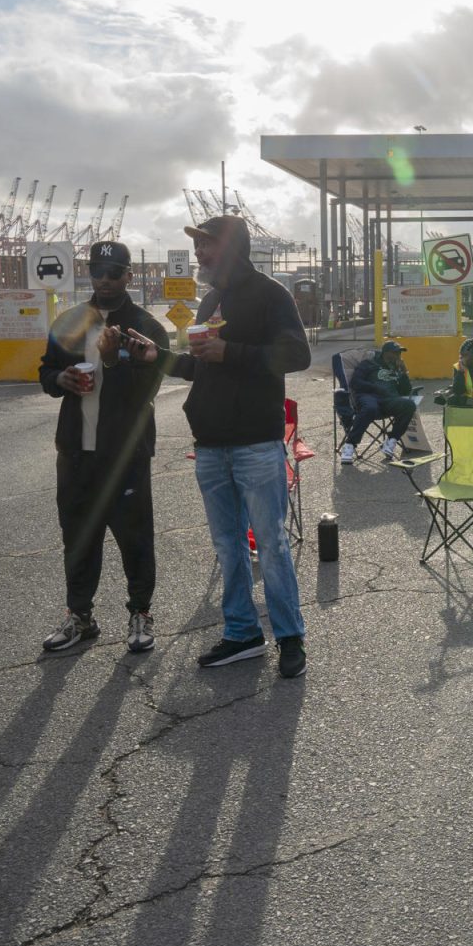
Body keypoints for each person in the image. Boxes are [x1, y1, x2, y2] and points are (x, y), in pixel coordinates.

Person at [166, 214, 312, 677]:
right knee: (228, 547)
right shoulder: (211, 299)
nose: (199, 253)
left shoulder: (271, 295)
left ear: (229, 248)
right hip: (210, 445)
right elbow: (201, 366)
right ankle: (242, 633)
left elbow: (297, 356)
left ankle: (290, 637)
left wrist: (232, 352)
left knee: (270, 545)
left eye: (206, 245)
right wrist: (156, 359)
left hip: (255, 443)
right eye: (198, 245)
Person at [37, 240, 170, 654]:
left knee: (134, 537)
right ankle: (80, 616)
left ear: (129, 275)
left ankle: (141, 613)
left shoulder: (146, 326)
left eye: (114, 272)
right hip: (76, 451)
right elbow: (46, 371)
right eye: (98, 272)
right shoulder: (71, 320)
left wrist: (112, 361)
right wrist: (62, 380)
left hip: (125, 455)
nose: (105, 280)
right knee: (78, 536)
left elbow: (147, 391)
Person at [342, 340, 416, 463]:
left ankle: (391, 441)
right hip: (369, 397)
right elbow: (355, 383)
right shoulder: (368, 364)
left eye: (399, 353)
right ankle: (350, 445)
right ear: (385, 353)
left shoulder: (396, 369)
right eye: (395, 353)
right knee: (370, 408)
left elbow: (405, 391)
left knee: (409, 405)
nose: (398, 356)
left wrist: (404, 373)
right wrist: (375, 387)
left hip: (389, 401)